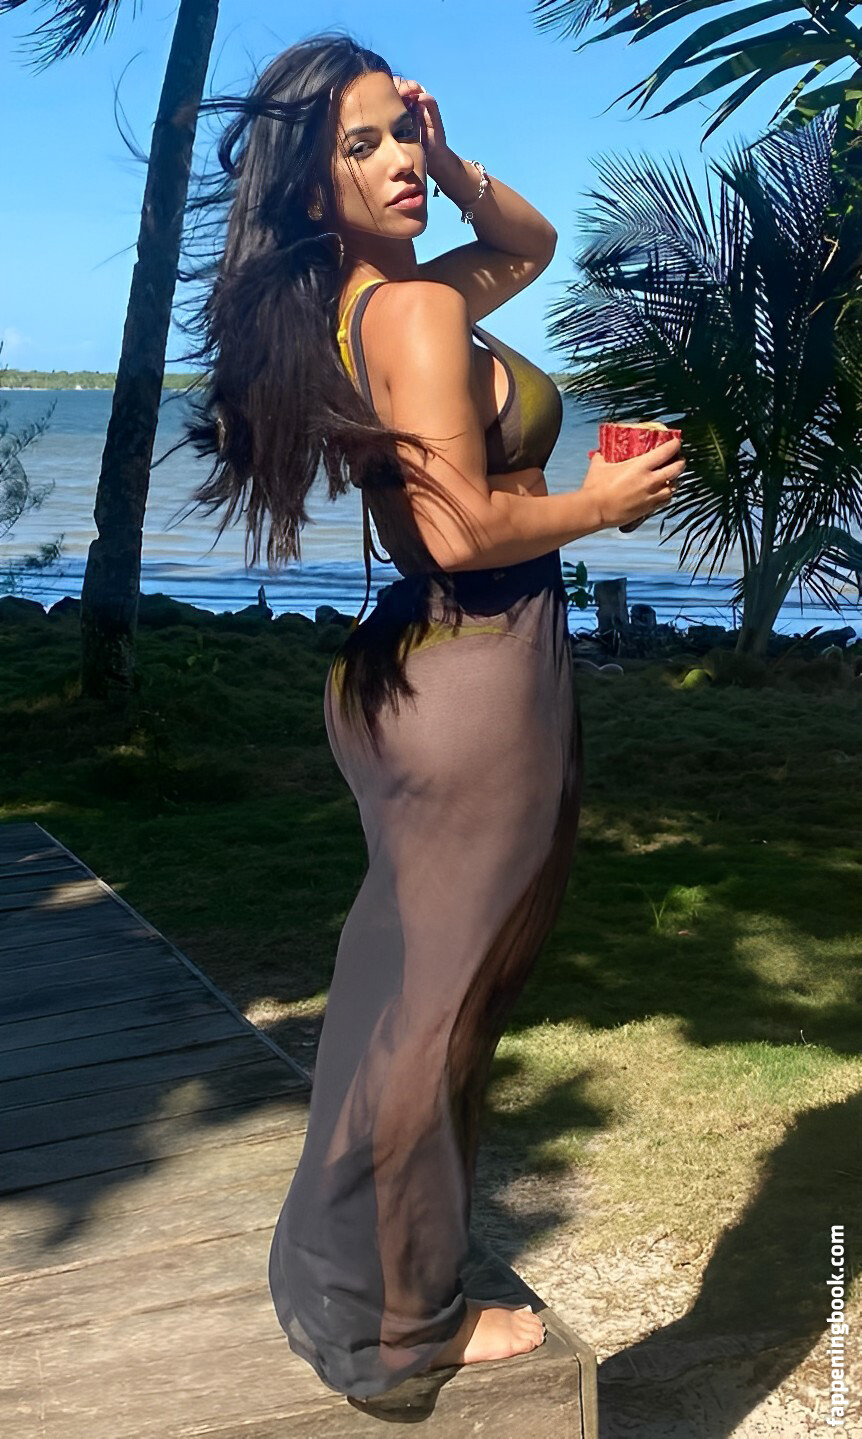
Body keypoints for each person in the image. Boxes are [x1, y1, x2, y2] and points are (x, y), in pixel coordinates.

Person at [179, 32, 685, 1404]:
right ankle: (400, 1328)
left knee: (398, 996)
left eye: (402, 132)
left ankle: (339, 1281)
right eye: (365, 146)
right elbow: (461, 531)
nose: (400, 160)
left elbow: (530, 242)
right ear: (309, 188)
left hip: (417, 667)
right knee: (439, 1011)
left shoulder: (378, 300)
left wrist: (454, 163)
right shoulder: (407, 313)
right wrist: (601, 505)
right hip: (475, 668)